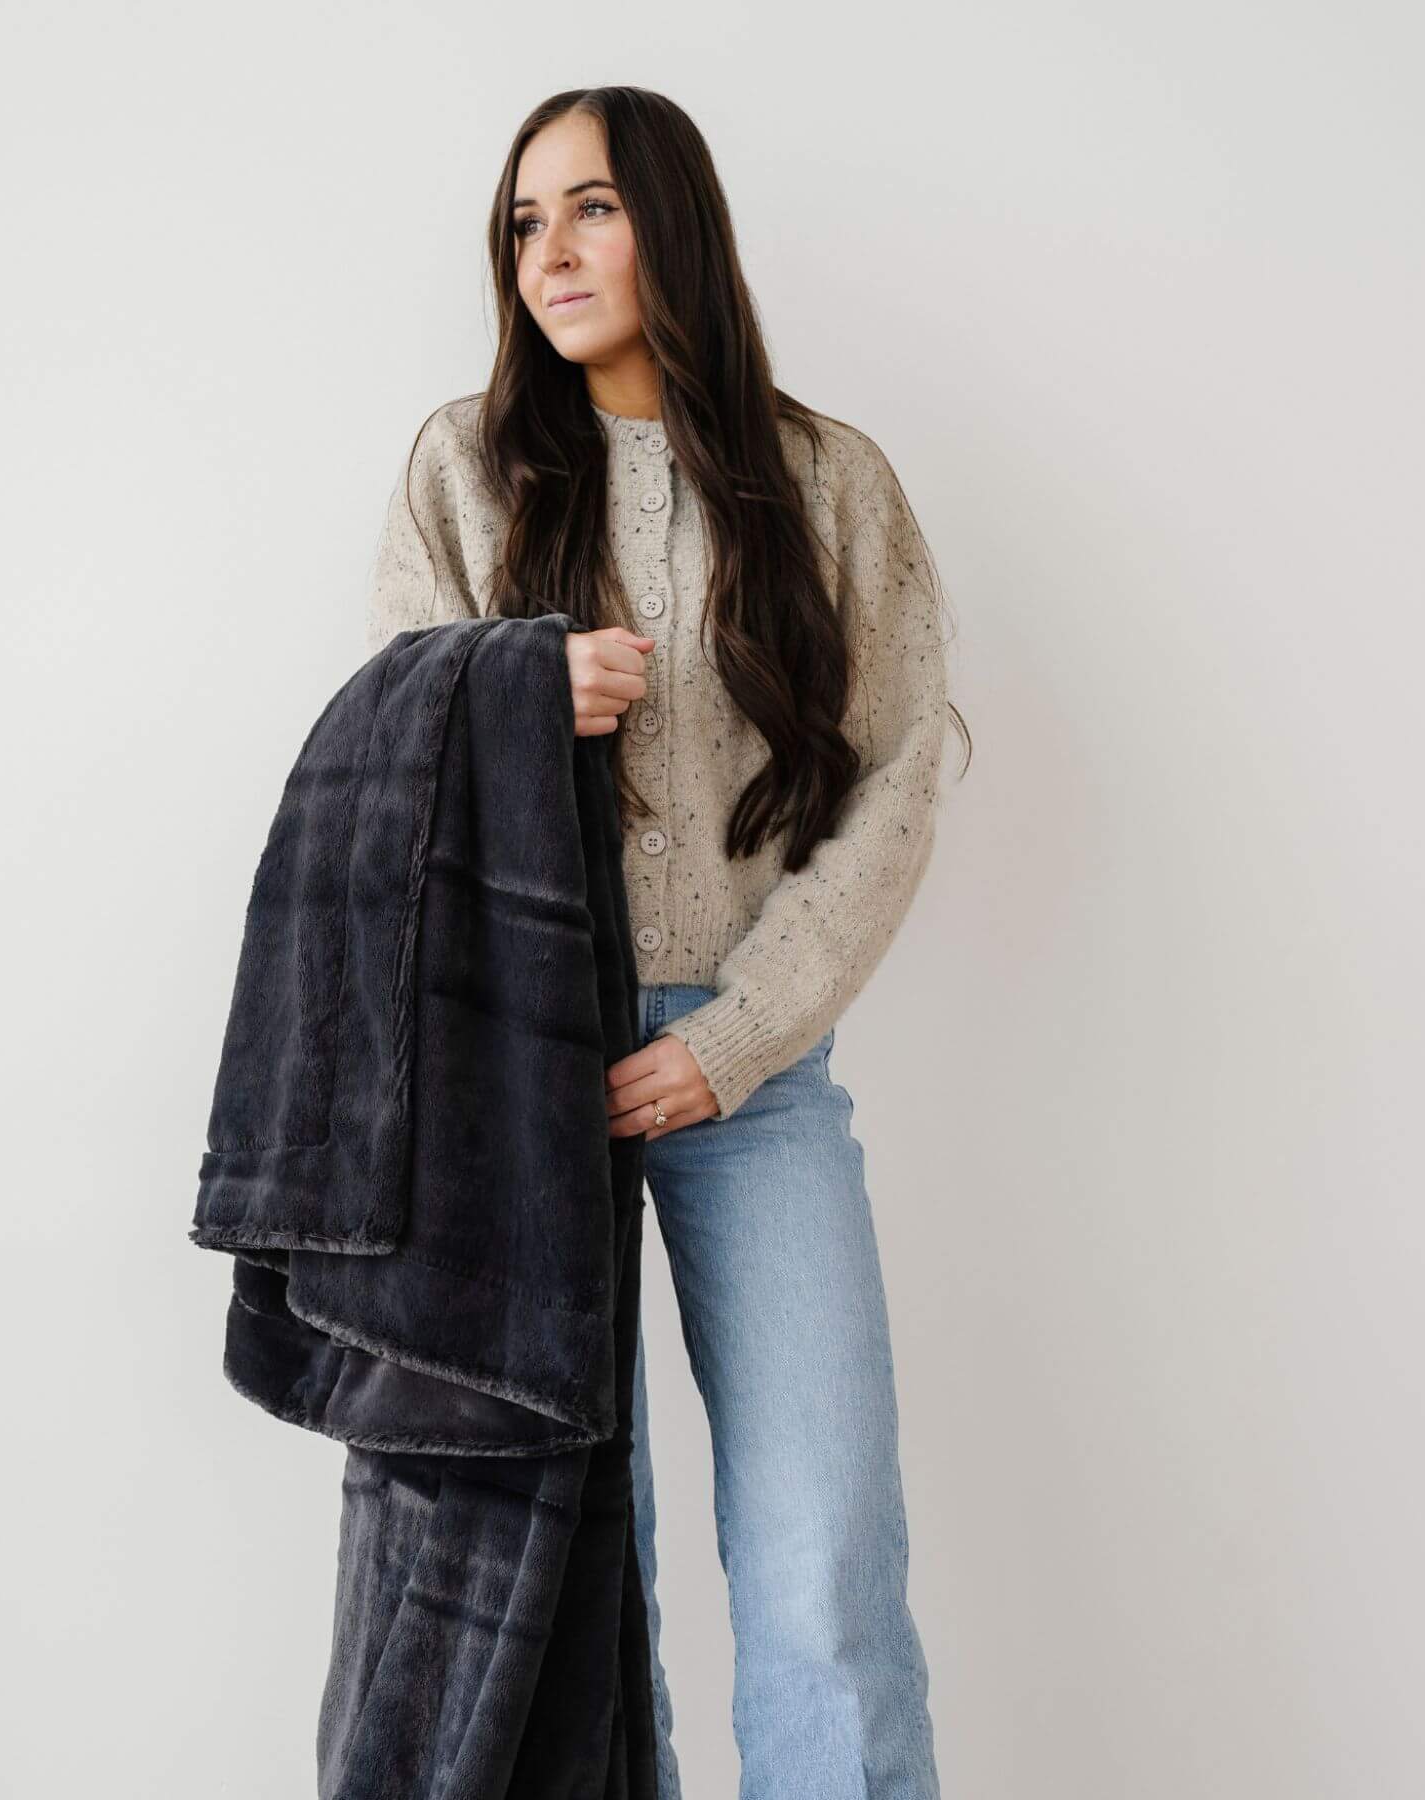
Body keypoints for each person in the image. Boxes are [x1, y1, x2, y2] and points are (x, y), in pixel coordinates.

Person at [355, 84, 968, 1800]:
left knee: (824, 1557)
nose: (550, 253)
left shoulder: (830, 482)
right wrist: (514, 691)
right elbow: (382, 762)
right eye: (524, 221)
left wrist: (736, 1036)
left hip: (753, 1080)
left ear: (674, 224)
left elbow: (898, 783)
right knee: (568, 1588)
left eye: (594, 208)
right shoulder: (463, 468)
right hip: (521, 1085)